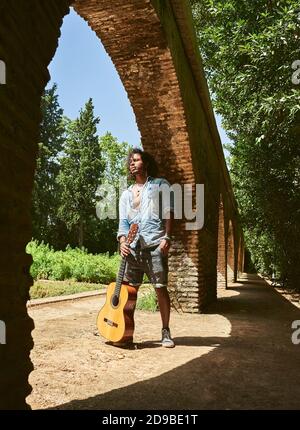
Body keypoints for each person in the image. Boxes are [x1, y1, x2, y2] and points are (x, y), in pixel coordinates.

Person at [117, 148, 175, 348]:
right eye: (130, 161)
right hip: (132, 248)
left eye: (136, 160)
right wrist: (123, 242)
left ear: (146, 163)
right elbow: (123, 223)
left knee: (160, 288)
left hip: (154, 243)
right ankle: (125, 332)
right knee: (129, 292)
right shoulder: (125, 194)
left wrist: (167, 237)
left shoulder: (160, 185)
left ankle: (165, 331)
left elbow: (168, 212)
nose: (132, 163)